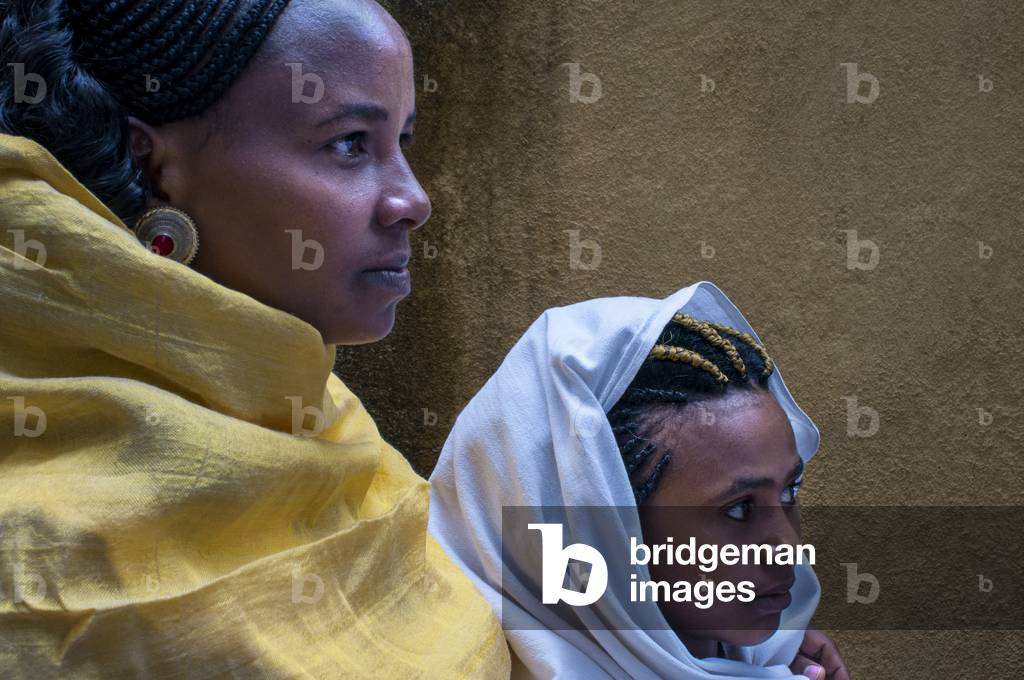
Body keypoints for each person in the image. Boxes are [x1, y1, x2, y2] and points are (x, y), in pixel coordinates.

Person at [0, 0, 510, 676]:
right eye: (351, 143)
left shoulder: (337, 433)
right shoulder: (44, 562)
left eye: (402, 144)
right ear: (153, 168)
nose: (413, 201)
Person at [429, 281, 850, 679]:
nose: (788, 548)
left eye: (789, 491)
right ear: (598, 533)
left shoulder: (771, 659)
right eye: (738, 509)